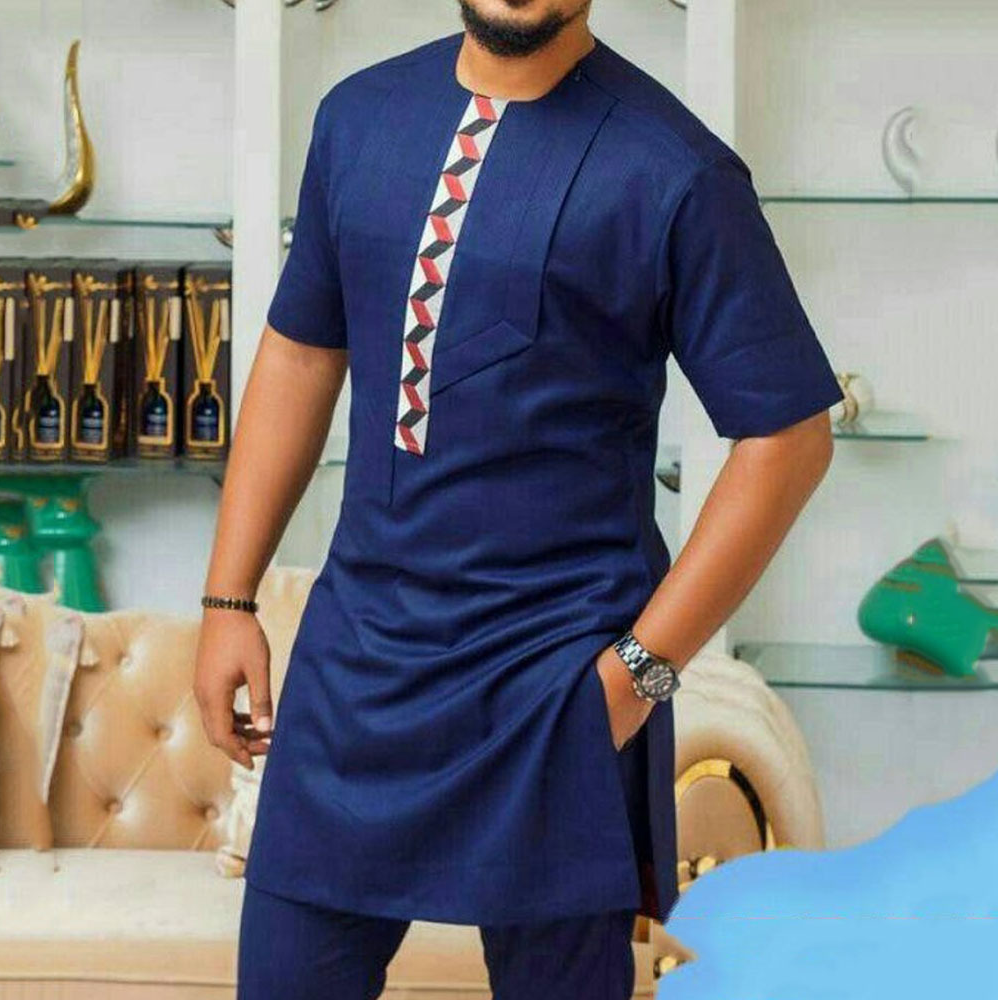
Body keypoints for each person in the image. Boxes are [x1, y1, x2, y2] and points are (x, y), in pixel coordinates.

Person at [194, 2, 845, 998]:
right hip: (358, 663)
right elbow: (302, 350)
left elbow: (788, 438)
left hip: (553, 682)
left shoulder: (675, 170)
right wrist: (228, 597)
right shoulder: (357, 118)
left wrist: (634, 678)